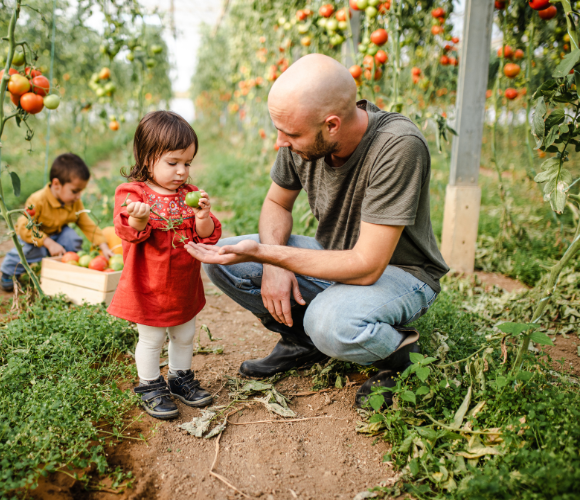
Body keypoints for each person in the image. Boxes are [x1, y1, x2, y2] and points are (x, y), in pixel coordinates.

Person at [185, 54, 449, 409]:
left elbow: (368, 265)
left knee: (329, 322)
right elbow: (276, 204)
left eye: (291, 134)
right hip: (336, 261)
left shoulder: (397, 145)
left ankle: (399, 358)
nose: (280, 141)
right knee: (225, 261)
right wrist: (276, 267)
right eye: (279, 129)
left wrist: (268, 254)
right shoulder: (298, 137)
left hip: (400, 273)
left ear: (332, 125)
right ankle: (301, 342)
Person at [107, 111, 221, 420]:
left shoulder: (189, 196)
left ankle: (179, 377)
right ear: (147, 159)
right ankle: (150, 385)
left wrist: (202, 217)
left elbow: (207, 236)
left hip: (183, 283)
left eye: (187, 163)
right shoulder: (133, 195)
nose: (182, 171)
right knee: (152, 339)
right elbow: (128, 231)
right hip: (148, 285)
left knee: (184, 334)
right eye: (173, 163)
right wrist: (139, 217)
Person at [0, 153, 114, 291]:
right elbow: (24, 227)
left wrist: (104, 246)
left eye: (80, 192)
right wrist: (48, 243)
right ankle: (9, 272)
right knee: (26, 250)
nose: (78, 197)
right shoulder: (37, 200)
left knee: (71, 238)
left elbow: (87, 224)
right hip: (35, 238)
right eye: (75, 191)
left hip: (57, 234)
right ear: (56, 184)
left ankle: (66, 267)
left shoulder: (74, 202)